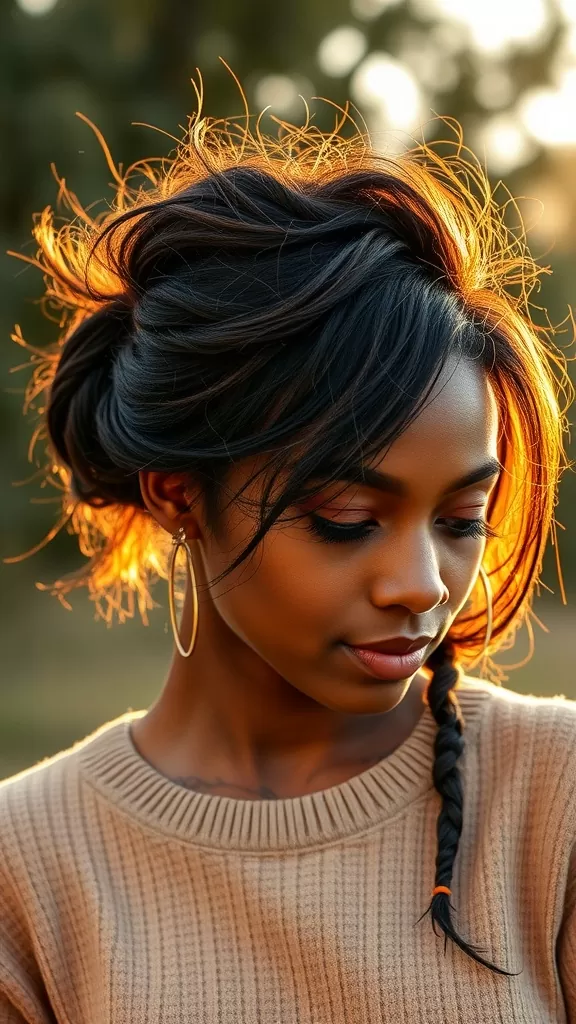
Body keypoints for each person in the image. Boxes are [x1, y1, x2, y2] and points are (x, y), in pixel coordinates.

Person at [1, 96, 575, 1024]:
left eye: (461, 518)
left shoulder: (556, 799)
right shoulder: (27, 872)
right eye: (347, 519)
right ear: (177, 495)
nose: (423, 584)